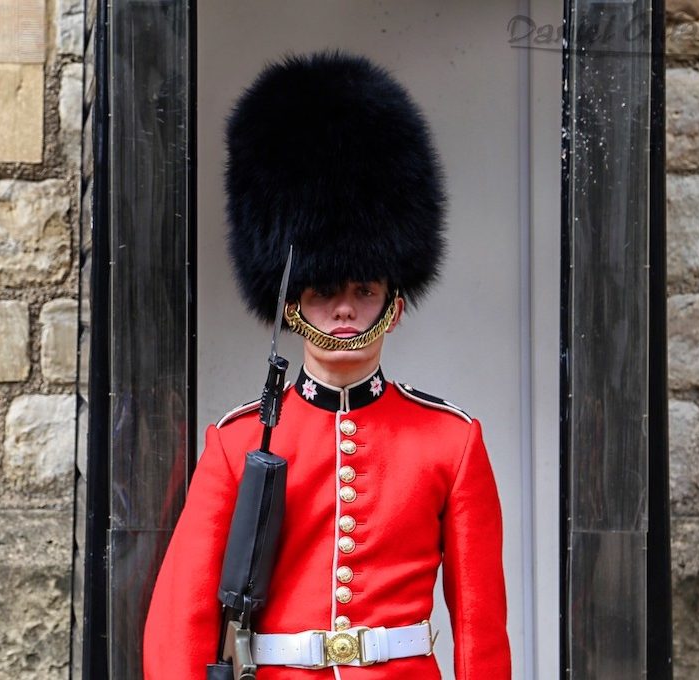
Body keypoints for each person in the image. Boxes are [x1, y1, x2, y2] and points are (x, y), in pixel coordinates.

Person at [144, 50, 511, 678]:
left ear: (393, 303)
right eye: (323, 291)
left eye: (364, 290)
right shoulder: (237, 445)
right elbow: (180, 623)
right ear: (293, 304)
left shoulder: (452, 443)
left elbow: (482, 632)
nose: (344, 309)